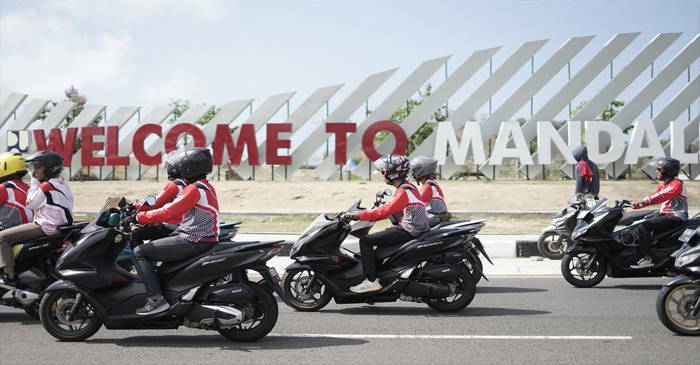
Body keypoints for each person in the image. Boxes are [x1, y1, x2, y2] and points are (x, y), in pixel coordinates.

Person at [128, 147, 220, 315]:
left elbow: (158, 203)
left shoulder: (179, 186)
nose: (175, 168)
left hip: (187, 234)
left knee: (138, 246)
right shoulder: (201, 186)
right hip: (191, 232)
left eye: (180, 164)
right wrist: (140, 205)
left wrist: (137, 210)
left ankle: (155, 298)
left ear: (189, 167)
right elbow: (158, 202)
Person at [342, 154, 430, 293]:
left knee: (366, 241)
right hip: (411, 227)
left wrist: (357, 215)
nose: (383, 174)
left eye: (384, 171)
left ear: (393, 173)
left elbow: (385, 211)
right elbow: (389, 208)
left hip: (410, 229)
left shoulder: (404, 191)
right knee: (379, 242)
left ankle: (371, 281)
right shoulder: (406, 187)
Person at [0, 151, 73, 286]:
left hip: (45, 226)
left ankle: (8, 276)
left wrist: (34, 182)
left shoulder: (46, 186)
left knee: (2, 237)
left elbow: (30, 203)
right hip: (57, 226)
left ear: (50, 169)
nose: (34, 172)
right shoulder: (62, 184)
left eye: (38, 167)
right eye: (34, 168)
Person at [630, 157, 688, 269]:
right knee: (636, 224)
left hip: (675, 216)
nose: (656, 172)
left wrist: (643, 200)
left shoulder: (677, 184)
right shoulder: (663, 185)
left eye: (659, 169)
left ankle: (647, 259)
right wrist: (637, 205)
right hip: (665, 214)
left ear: (667, 171)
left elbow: (661, 196)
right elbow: (654, 197)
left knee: (644, 227)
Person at [129, 151, 188, 251]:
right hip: (184, 224)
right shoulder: (188, 184)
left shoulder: (175, 185)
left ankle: (138, 264)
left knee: (134, 234)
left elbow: (155, 201)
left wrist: (136, 206)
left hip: (172, 225)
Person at [410, 156, 450, 227]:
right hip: (435, 216)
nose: (413, 171)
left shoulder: (428, 186)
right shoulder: (430, 183)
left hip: (435, 218)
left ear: (422, 170)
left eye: (415, 169)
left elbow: (417, 202)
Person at [0, 153, 33, 232]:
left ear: (5, 167)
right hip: (25, 230)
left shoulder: (4, 187)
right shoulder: (27, 187)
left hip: (10, 231)